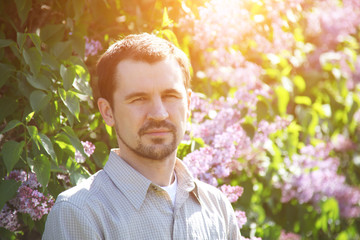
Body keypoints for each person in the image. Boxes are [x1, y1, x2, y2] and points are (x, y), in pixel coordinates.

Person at [43, 33, 241, 239]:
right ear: (107, 112)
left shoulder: (218, 208)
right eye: (139, 99)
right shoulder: (80, 213)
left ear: (189, 104)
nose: (159, 113)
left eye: (170, 96)